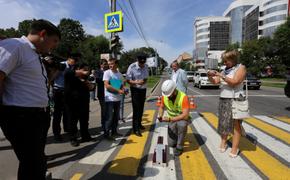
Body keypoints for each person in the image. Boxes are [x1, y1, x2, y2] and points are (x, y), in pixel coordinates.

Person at [0, 19, 60, 180]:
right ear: (42, 34)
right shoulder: (16, 46)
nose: (54, 46)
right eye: (54, 41)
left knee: (35, 162)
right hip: (21, 117)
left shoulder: (33, 53)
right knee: (33, 164)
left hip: (36, 116)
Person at [207, 50, 246, 158]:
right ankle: (223, 142)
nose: (224, 63)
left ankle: (234, 148)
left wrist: (221, 75)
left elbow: (235, 82)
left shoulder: (240, 67)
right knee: (224, 122)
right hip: (224, 98)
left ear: (233, 59)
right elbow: (215, 82)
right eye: (223, 61)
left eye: (226, 61)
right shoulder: (224, 69)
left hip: (235, 99)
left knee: (236, 125)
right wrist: (209, 75)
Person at [64, 62, 95, 147]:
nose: (87, 72)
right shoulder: (70, 76)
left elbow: (92, 88)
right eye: (84, 70)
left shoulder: (86, 78)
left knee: (84, 120)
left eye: (88, 70)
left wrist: (90, 86)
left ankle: (85, 136)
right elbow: (66, 72)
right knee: (73, 121)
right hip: (72, 103)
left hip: (84, 102)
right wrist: (80, 74)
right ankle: (73, 138)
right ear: (78, 69)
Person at [157, 80, 190, 156]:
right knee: (171, 144)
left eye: (169, 94)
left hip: (182, 119)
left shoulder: (183, 97)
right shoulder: (165, 96)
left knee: (182, 125)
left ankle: (179, 146)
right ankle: (176, 136)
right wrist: (160, 115)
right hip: (172, 120)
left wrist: (169, 119)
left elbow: (185, 115)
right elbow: (161, 107)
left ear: (174, 90)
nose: (167, 97)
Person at [52, 55, 78, 141]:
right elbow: (53, 77)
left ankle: (67, 129)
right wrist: (59, 71)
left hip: (68, 92)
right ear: (69, 59)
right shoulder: (61, 65)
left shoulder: (73, 67)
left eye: (75, 62)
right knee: (57, 113)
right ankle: (56, 133)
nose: (73, 64)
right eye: (72, 61)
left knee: (68, 112)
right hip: (58, 91)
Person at [126, 54, 149, 136]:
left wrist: (144, 81)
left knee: (141, 108)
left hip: (143, 89)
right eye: (141, 63)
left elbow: (146, 77)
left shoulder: (146, 66)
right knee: (136, 109)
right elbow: (128, 80)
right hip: (135, 89)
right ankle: (135, 129)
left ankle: (139, 124)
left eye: (143, 63)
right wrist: (137, 82)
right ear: (137, 60)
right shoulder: (132, 67)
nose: (142, 65)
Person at [103, 58, 125, 140]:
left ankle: (114, 132)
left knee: (116, 117)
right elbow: (107, 85)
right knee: (109, 117)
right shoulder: (107, 73)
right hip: (109, 99)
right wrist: (119, 90)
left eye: (112, 64)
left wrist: (124, 90)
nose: (110, 65)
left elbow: (122, 85)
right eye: (109, 64)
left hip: (118, 98)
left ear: (116, 64)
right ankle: (106, 134)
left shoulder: (119, 74)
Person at [95, 59, 109, 132]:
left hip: (110, 94)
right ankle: (103, 125)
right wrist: (107, 78)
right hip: (102, 94)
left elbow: (115, 80)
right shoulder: (97, 71)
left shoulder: (109, 71)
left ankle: (108, 125)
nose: (105, 65)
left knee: (109, 110)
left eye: (106, 64)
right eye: (104, 64)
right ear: (100, 65)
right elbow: (98, 80)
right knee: (104, 110)